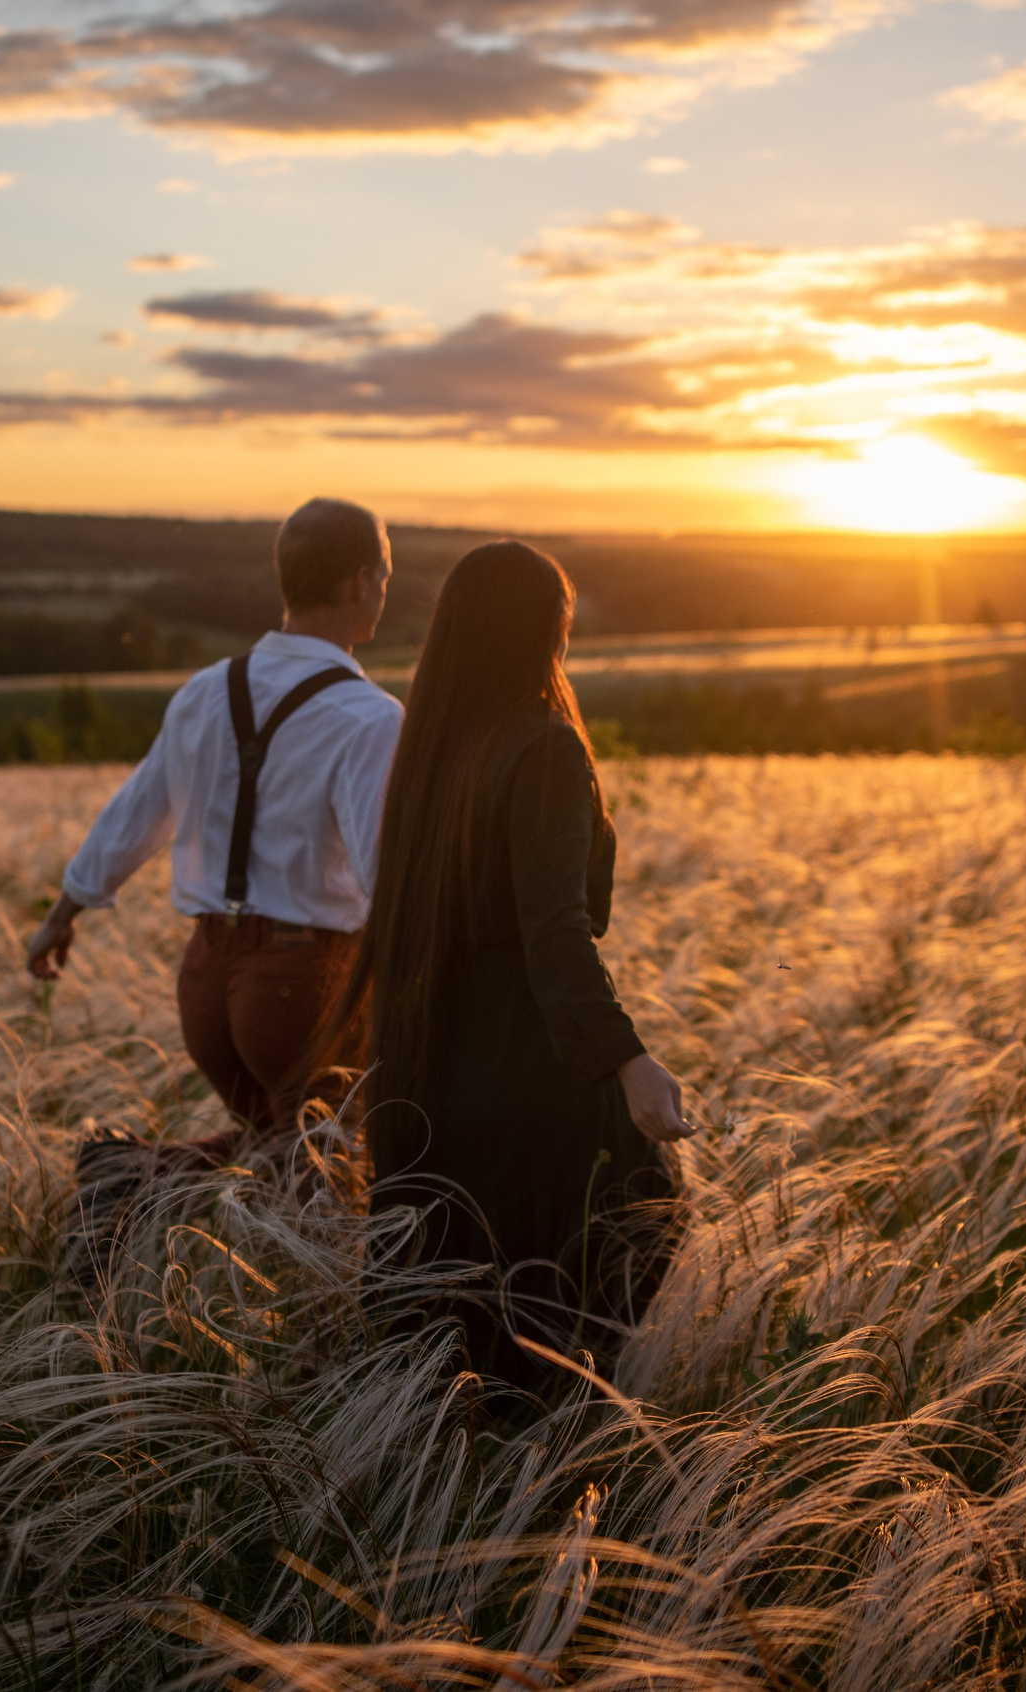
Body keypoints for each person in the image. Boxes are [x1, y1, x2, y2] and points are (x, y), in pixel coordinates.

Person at [338, 539, 694, 1384]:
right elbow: (558, 934)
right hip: (525, 1066)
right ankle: (557, 1443)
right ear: (545, 632)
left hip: (434, 1062)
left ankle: (457, 1465)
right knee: (639, 1223)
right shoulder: (542, 750)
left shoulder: (432, 750)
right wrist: (629, 1062)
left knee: (460, 1286)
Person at [26, 497, 403, 1137]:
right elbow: (385, 876)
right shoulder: (371, 716)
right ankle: (126, 1182)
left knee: (269, 1161)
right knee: (323, 1188)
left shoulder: (205, 690)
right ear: (359, 581)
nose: (385, 592)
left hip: (204, 987)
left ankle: (123, 1182)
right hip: (303, 985)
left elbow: (135, 812)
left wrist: (62, 915)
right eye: (386, 577)